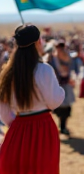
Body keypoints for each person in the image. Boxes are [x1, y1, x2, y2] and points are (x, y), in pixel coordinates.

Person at [0, 24, 64, 174]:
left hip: (17, 129)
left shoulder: (7, 73)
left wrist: (17, 124)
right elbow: (54, 101)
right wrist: (60, 90)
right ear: (37, 42)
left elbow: (3, 109)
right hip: (43, 128)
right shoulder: (44, 69)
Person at [48, 39, 75, 137]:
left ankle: (63, 127)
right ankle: (61, 127)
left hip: (66, 85)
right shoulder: (52, 59)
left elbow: (70, 68)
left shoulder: (66, 57)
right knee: (58, 108)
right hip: (56, 86)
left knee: (66, 108)